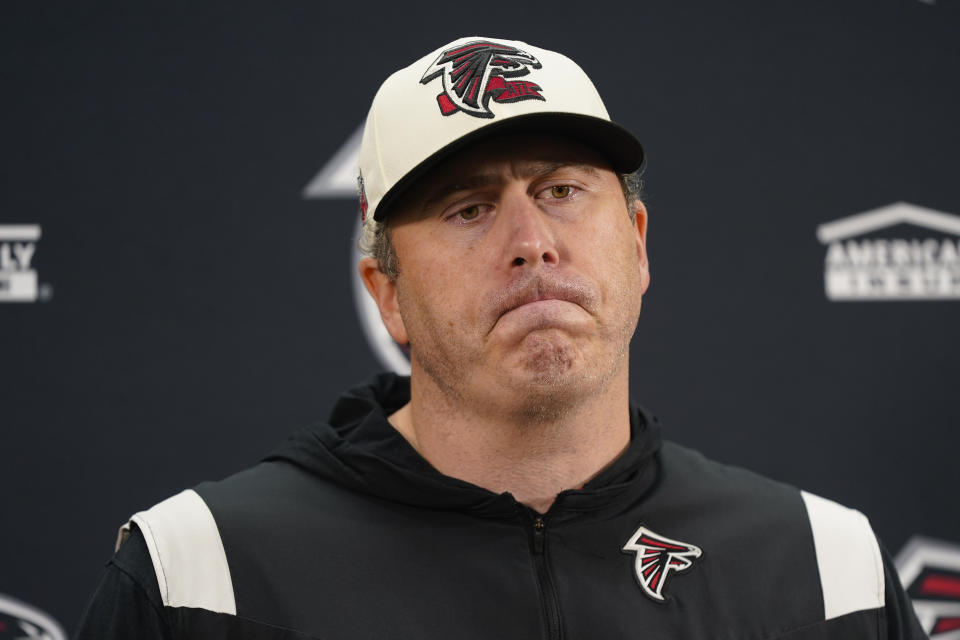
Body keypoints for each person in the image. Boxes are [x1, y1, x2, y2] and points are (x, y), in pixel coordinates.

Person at [75, 37, 927, 639]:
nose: (531, 239)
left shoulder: (822, 569)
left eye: (561, 189)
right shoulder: (203, 574)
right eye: (468, 207)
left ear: (636, 245)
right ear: (389, 294)